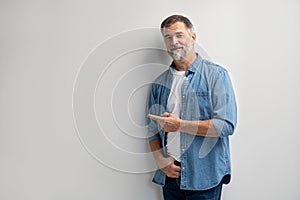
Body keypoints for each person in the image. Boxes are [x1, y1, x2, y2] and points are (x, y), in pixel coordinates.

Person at [147, 14, 237, 200]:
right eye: (168, 37)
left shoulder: (216, 75)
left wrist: (180, 125)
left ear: (193, 37)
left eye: (179, 35)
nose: (174, 42)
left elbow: (226, 125)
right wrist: (160, 160)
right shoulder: (159, 83)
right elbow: (152, 130)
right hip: (170, 177)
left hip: (205, 177)